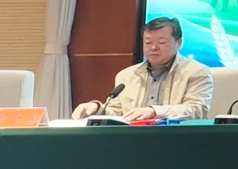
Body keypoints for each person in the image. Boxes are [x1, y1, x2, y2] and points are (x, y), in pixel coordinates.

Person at [72, 17, 212, 121]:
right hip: (132, 140)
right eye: (148, 42)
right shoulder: (126, 75)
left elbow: (197, 110)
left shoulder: (196, 72)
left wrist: (154, 112)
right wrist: (96, 108)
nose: (153, 47)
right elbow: (117, 112)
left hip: (175, 139)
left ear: (179, 43)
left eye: (161, 42)